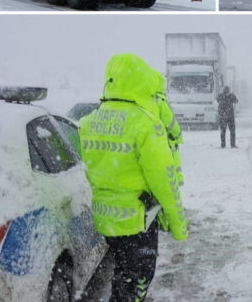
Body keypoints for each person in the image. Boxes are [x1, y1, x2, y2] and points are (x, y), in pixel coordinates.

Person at [79, 54, 188, 302]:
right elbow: (165, 181)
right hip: (136, 219)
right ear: (142, 81)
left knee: (123, 269)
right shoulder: (145, 124)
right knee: (136, 276)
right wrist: (178, 224)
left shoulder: (89, 121)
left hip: (105, 217)